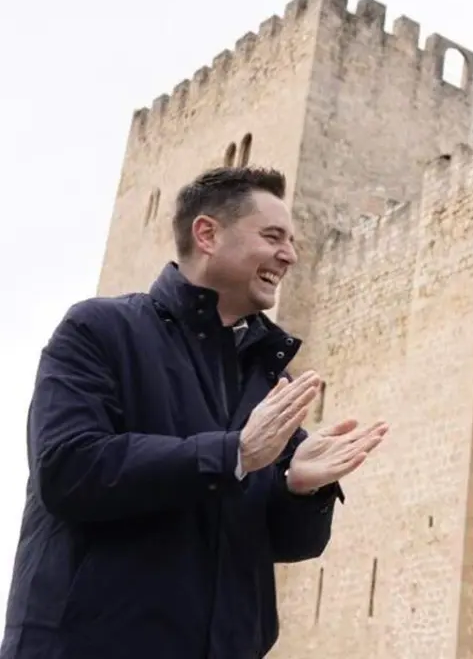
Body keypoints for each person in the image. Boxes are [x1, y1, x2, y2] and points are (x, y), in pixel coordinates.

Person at [0, 166, 389, 659]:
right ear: (207, 234)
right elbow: (67, 469)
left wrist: (299, 490)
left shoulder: (267, 379)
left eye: (291, 241)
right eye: (272, 237)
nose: (290, 255)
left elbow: (285, 544)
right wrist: (234, 454)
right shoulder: (99, 330)